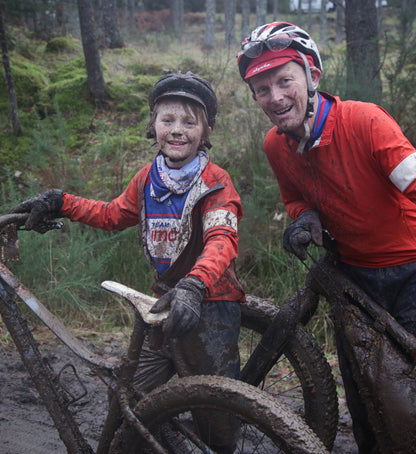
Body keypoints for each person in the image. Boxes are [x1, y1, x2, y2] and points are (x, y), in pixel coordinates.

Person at [237, 21, 416, 453]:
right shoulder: (275, 145)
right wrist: (304, 220)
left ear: (312, 77)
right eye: (262, 89)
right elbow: (295, 197)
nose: (275, 97)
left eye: (284, 81)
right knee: (364, 393)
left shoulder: (367, 122)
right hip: (351, 275)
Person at [12, 71, 244, 453]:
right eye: (167, 119)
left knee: (216, 417)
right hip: (164, 303)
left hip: (211, 309)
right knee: (132, 399)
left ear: (206, 130)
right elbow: (112, 213)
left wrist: (195, 284)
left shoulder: (215, 182)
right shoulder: (147, 179)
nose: (177, 130)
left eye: (190, 121)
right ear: (152, 126)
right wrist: (62, 202)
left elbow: (222, 239)